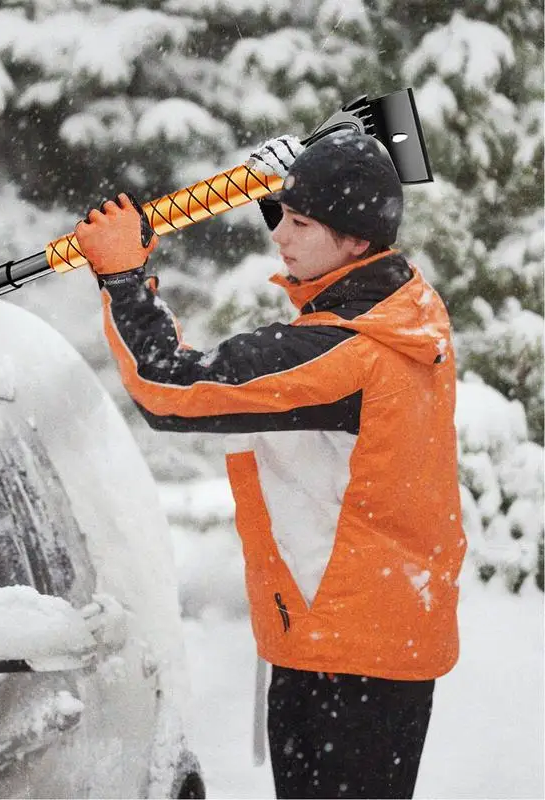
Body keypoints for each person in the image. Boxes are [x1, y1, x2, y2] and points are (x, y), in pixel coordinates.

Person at [74, 130, 466, 800]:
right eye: (281, 215)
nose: (280, 236)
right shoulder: (405, 306)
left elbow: (172, 387)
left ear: (355, 242)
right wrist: (301, 195)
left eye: (300, 223)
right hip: (374, 635)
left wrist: (123, 280)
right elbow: (323, 307)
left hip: (346, 657)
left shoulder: (348, 355)